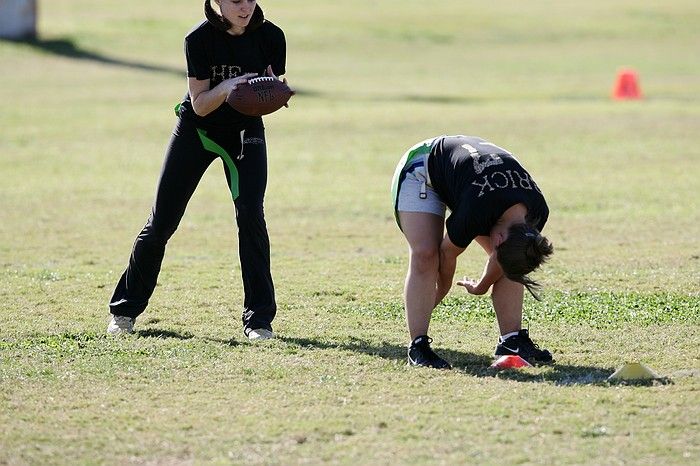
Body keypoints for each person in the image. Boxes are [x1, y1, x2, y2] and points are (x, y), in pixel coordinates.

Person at [107, 0, 289, 340]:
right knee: (161, 222)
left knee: (251, 217)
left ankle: (259, 321)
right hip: (197, 132)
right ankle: (124, 311)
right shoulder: (199, 39)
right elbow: (201, 105)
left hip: (244, 133)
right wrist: (229, 87)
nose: (245, 6)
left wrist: (272, 92)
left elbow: (268, 90)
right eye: (235, 0)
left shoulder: (272, 36)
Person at [391, 135, 555, 368]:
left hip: (471, 184)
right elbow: (447, 253)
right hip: (424, 167)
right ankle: (418, 347)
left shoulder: (537, 212)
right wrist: (443, 287)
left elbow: (505, 257)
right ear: (496, 238)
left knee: (517, 259)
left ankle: (511, 340)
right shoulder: (477, 211)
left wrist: (482, 286)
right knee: (426, 253)